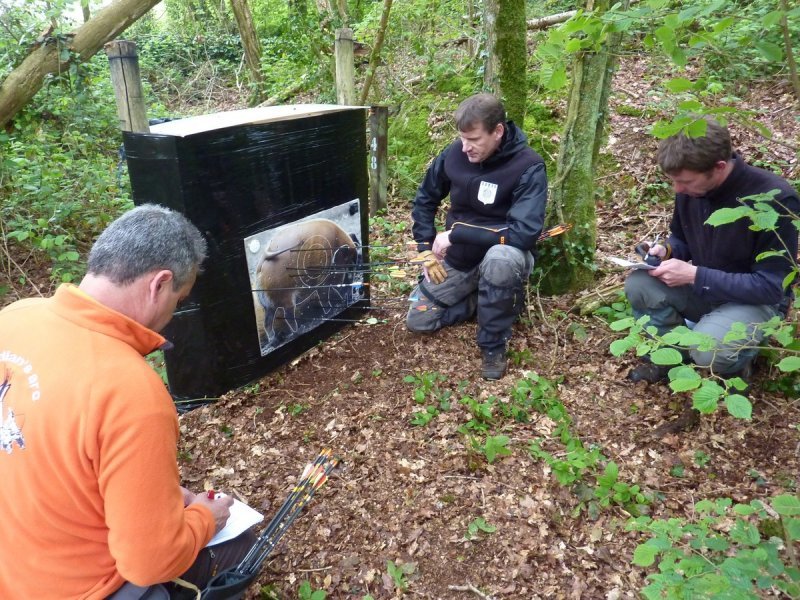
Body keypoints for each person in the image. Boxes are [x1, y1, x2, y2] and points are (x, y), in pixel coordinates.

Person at [0, 204, 254, 599]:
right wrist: (206, 517)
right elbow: (149, 563)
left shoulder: (14, 317)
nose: (174, 312)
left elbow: (51, 451)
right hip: (77, 589)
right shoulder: (131, 392)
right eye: (179, 299)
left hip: (14, 566)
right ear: (159, 285)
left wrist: (158, 498)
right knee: (243, 548)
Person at [625, 119, 799, 384]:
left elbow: (772, 287)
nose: (678, 189)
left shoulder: (774, 198)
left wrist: (695, 275)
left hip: (755, 303)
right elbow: (682, 237)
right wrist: (666, 251)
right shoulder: (693, 189)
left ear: (719, 167)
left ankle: (735, 370)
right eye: (674, 181)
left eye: (684, 181)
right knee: (640, 284)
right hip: (706, 288)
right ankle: (668, 358)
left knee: (708, 349)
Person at [406, 93, 548, 379]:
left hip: (506, 254)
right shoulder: (455, 154)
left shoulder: (528, 165)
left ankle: (492, 345)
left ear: (498, 131)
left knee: (500, 259)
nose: (466, 147)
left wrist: (456, 234)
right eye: (462, 138)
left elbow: (523, 234)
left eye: (474, 139)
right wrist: (425, 247)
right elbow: (425, 199)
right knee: (419, 318)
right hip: (461, 258)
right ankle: (489, 300)